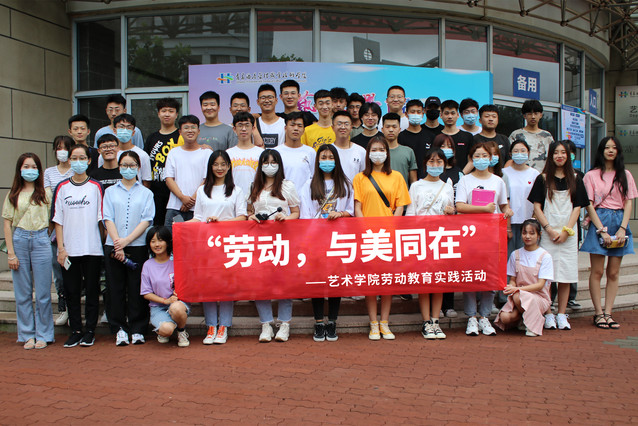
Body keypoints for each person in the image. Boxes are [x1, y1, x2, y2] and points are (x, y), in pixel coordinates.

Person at [353, 135, 411, 340]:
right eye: (374, 150)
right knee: (371, 280)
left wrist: (391, 227)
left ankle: (385, 322)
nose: (378, 154)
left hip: (389, 235)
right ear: (368, 154)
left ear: (387, 153)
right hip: (368, 236)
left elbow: (400, 206)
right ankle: (373, 323)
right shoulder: (360, 178)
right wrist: (364, 229)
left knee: (387, 281)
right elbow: (357, 206)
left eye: (381, 150)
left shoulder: (396, 176)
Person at [528, 140, 589, 331]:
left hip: (568, 235)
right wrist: (548, 229)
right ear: (551, 156)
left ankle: (562, 314)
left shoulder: (576, 179)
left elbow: (578, 207)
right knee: (546, 276)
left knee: (565, 275)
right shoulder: (542, 179)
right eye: (556, 153)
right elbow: (537, 207)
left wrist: (566, 231)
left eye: (563, 152)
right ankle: (548, 313)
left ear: (569, 156)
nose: (560, 156)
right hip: (548, 234)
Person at [456, 142, 513, 336]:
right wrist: (483, 209)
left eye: (484, 156)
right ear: (471, 159)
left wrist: (508, 211)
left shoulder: (498, 181)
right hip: (470, 234)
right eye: (477, 156)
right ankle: (471, 316)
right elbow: (460, 206)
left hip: (492, 234)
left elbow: (503, 205)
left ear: (491, 158)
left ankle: (485, 316)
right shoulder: (465, 180)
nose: (481, 159)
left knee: (490, 275)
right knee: (471, 275)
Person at [190, 150, 247, 344]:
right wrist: (181, 226)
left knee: (226, 285)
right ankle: (211, 326)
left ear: (229, 167)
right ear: (210, 167)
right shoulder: (201, 190)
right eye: (216, 164)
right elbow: (198, 217)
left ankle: (224, 326)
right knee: (208, 284)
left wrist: (221, 223)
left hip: (229, 244)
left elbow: (242, 217)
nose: (219, 168)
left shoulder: (236, 190)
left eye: (223, 164)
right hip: (206, 244)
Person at [581, 137, 637, 329]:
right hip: (600, 219)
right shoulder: (591, 175)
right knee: (597, 271)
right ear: (601, 151)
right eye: (607, 147)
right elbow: (588, 204)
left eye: (614, 147)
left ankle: (608, 312)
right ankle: (598, 313)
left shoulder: (626, 174)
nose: (610, 150)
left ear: (618, 151)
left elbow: (629, 202)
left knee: (613, 272)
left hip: (619, 221)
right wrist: (601, 230)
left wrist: (623, 227)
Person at [299, 144, 354, 342]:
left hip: (338, 239)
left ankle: (332, 322)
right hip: (316, 240)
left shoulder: (345, 184)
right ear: (318, 161)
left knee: (335, 280)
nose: (327, 161)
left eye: (331, 157)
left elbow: (351, 210)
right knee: (318, 280)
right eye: (323, 157)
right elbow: (305, 214)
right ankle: (319, 322)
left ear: (336, 160)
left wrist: (340, 213)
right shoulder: (309, 184)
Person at [52, 144, 104, 348]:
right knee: (72, 291)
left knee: (91, 291)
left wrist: (103, 245)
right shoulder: (62, 187)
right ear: (69, 160)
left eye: (82, 158)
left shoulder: (96, 187)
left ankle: (90, 330)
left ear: (89, 161)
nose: (78, 162)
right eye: (74, 158)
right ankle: (75, 330)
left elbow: (101, 219)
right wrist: (61, 248)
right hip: (69, 250)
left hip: (92, 248)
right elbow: (58, 220)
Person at [247, 149, 300, 342]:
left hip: (282, 240)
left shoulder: (287, 186)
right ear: (260, 165)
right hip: (260, 241)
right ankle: (266, 324)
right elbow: (249, 211)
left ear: (279, 164)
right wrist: (252, 217)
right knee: (261, 282)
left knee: (283, 282)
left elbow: (296, 212)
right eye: (266, 162)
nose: (270, 166)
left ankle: (284, 324)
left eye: (273, 162)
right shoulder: (255, 186)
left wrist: (285, 218)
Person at [2, 153, 54, 349]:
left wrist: (45, 236)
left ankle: (44, 334)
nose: (30, 170)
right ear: (19, 169)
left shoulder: (46, 193)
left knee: (43, 293)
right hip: (20, 239)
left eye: (34, 167)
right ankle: (26, 334)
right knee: (22, 292)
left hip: (41, 239)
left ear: (39, 170)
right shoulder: (13, 194)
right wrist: (11, 253)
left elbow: (52, 220)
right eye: (26, 166)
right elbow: (7, 225)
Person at [103, 151, 154, 346]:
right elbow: (107, 218)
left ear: (138, 167)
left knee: (136, 288)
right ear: (119, 167)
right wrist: (118, 242)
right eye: (124, 165)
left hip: (137, 246)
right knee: (115, 288)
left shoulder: (146, 193)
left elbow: (146, 220)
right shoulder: (110, 191)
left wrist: (127, 241)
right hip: (113, 247)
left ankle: (138, 328)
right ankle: (119, 329)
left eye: (132, 165)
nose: (128, 169)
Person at [405, 148, 455, 340]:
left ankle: (436, 321)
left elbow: (451, 213)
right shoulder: (416, 186)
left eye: (439, 162)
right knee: (425, 281)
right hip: (421, 239)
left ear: (445, 164)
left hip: (441, 239)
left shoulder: (447, 186)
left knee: (439, 281)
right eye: (432, 162)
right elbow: (410, 214)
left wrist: (451, 212)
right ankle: (426, 321)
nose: (435, 165)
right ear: (425, 164)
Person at [494, 219, 554, 337]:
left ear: (539, 235)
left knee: (518, 296)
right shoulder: (515, 254)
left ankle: (534, 323)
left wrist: (517, 289)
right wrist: (511, 286)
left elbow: (540, 285)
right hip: (520, 296)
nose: (527, 236)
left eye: (532, 233)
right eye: (524, 233)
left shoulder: (545, 256)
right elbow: (513, 279)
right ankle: (525, 318)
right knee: (505, 317)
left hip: (538, 296)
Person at [140, 226, 190, 347]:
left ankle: (181, 331)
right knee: (166, 330)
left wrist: (178, 294)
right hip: (158, 307)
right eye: (153, 241)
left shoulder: (177, 261)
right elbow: (146, 293)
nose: (157, 244)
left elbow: (187, 282)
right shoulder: (148, 265)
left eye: (160, 240)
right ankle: (166, 328)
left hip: (178, 303)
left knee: (176, 308)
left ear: (168, 242)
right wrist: (165, 300)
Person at [44, 135, 74, 326]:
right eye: (59, 148)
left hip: (74, 227)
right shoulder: (48, 173)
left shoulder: (77, 170)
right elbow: (48, 200)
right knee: (59, 272)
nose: (62, 151)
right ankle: (63, 309)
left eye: (66, 148)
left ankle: (75, 309)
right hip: (55, 228)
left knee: (75, 272)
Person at [164, 115, 211, 227]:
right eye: (186, 128)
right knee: (171, 237)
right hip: (175, 207)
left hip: (199, 208)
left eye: (193, 127)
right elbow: (169, 178)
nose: (190, 130)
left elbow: (207, 179)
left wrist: (191, 200)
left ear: (198, 131)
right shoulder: (173, 153)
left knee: (197, 238)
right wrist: (182, 198)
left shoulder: (207, 153)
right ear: (180, 132)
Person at [144, 97, 184, 226]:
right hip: (156, 193)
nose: (167, 114)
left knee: (177, 227)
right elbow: (146, 165)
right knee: (158, 227)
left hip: (177, 193)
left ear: (176, 114)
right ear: (158, 114)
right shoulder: (152, 138)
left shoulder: (181, 136)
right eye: (164, 111)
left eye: (171, 111)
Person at [502, 140, 539, 254]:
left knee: (526, 255)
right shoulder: (504, 173)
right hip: (508, 221)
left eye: (523, 151)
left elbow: (538, 199)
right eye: (516, 151)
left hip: (528, 220)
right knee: (509, 255)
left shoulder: (535, 174)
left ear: (528, 153)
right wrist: (507, 226)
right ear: (510, 154)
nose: (519, 154)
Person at [102, 114, 152, 188]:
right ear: (114, 130)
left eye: (128, 127)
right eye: (121, 127)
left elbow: (146, 182)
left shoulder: (142, 155)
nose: (124, 130)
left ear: (133, 132)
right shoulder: (106, 155)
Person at [509, 100, 554, 173]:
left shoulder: (547, 136)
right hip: (520, 174)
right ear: (524, 116)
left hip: (542, 176)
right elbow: (510, 158)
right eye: (530, 114)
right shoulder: (516, 135)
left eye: (536, 113)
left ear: (541, 115)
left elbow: (552, 158)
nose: (533, 117)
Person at [275, 111, 316, 190]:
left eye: (299, 126)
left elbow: (314, 177)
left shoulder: (310, 152)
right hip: (282, 196)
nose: (296, 129)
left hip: (304, 197)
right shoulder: (276, 152)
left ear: (304, 130)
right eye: (292, 125)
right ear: (285, 128)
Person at [226, 111, 264, 195]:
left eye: (247, 125)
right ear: (234, 129)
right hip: (233, 198)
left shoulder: (261, 153)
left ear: (253, 128)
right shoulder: (228, 153)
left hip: (256, 198)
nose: (243, 129)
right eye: (240, 125)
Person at [399, 99, 435, 179]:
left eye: (418, 112)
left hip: (427, 179)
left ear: (423, 114)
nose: (416, 115)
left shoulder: (430, 136)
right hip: (406, 179)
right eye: (412, 112)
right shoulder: (400, 137)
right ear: (406, 114)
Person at [383, 113, 417, 186]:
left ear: (399, 129)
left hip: (403, 192)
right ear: (382, 129)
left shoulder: (408, 151)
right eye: (387, 127)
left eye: (394, 127)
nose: (391, 130)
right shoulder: (377, 152)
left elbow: (413, 182)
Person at [331, 111, 366, 182]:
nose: (343, 127)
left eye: (346, 124)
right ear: (333, 127)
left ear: (351, 127)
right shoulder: (328, 151)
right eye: (339, 124)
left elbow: (364, 177)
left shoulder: (361, 151)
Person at [440, 100, 474, 172]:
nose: (450, 116)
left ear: (458, 115)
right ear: (441, 115)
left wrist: (461, 175)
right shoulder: (436, 136)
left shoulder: (467, 136)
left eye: (453, 113)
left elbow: (472, 160)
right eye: (446, 113)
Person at [255, 84, 286, 148]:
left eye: (270, 97)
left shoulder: (284, 124)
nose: (267, 101)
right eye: (263, 98)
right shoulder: (253, 125)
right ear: (258, 101)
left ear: (276, 100)